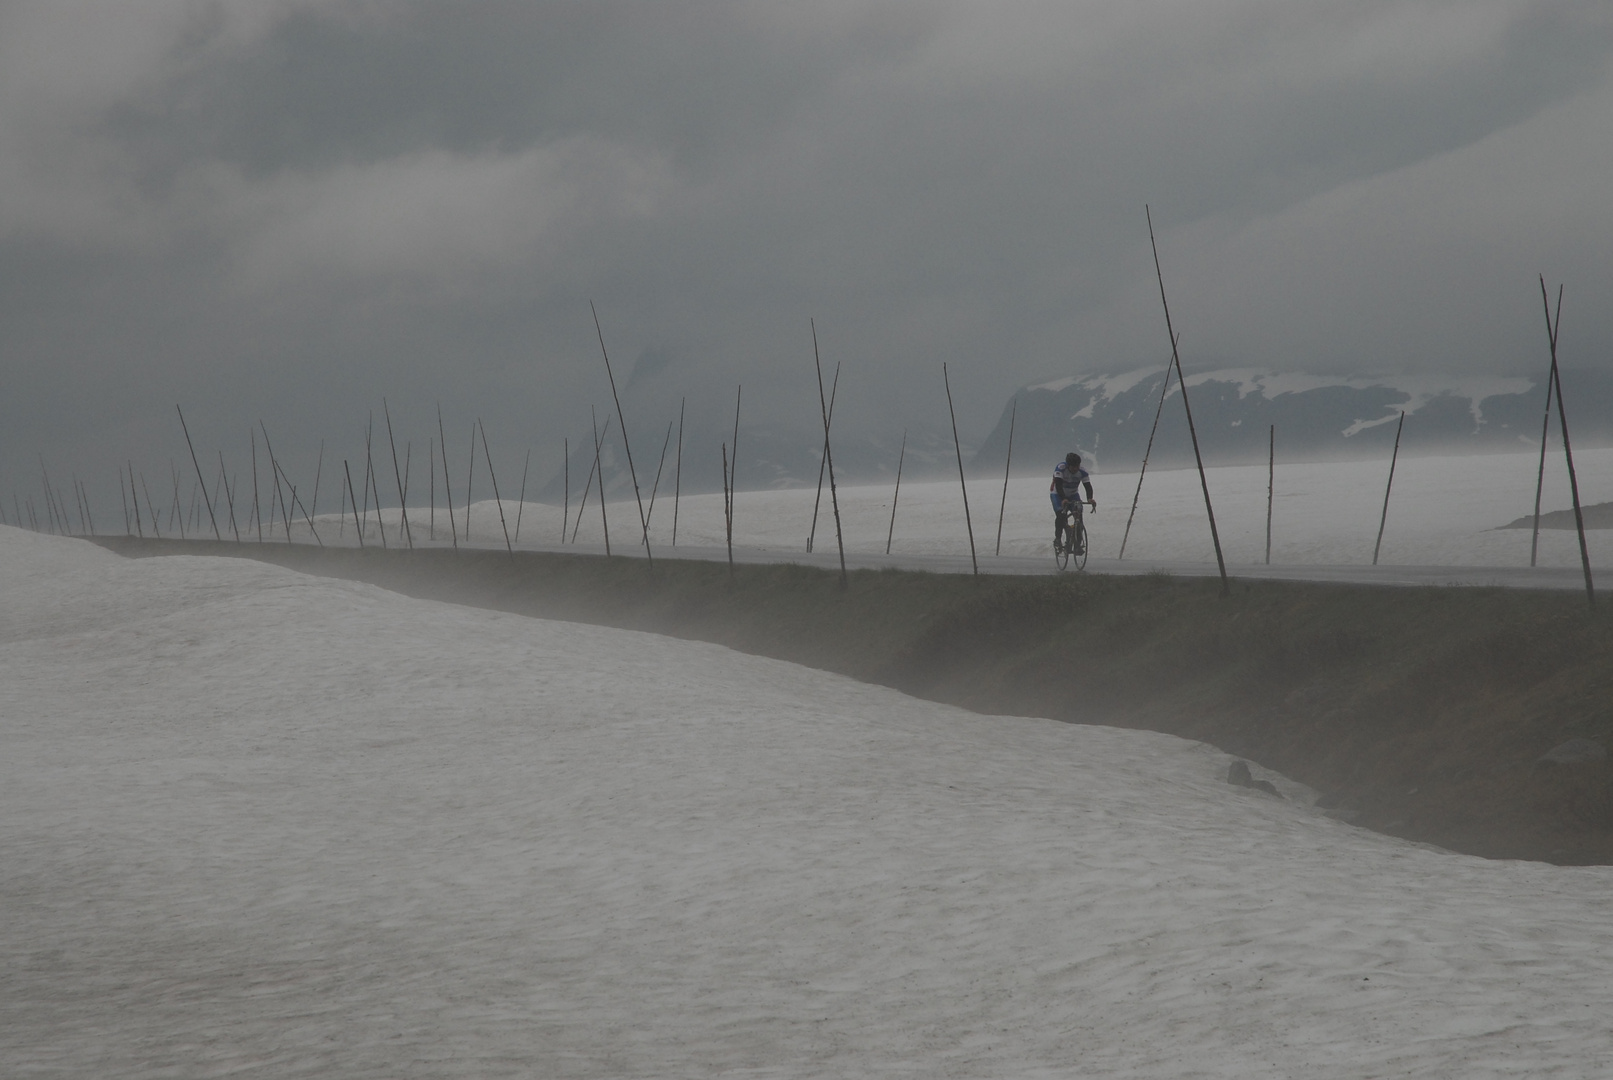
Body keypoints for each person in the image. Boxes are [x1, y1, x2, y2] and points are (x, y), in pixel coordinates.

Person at [1050, 452, 1095, 554]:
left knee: (1079, 517)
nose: (1075, 469)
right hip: (1057, 494)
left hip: (1073, 494)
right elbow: (1059, 485)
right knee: (1061, 515)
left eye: (1077, 466)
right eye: (1073, 467)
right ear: (1068, 465)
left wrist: (1090, 498)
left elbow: (1087, 486)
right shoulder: (1061, 468)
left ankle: (1077, 545)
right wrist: (1063, 499)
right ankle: (1057, 539)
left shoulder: (1082, 472)